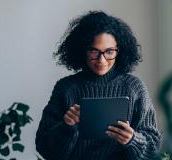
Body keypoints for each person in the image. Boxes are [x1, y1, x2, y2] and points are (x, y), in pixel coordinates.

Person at [35, 11, 161, 160]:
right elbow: (44, 148)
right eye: (94, 51)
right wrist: (66, 127)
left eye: (109, 52)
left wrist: (132, 140)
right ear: (83, 50)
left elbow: (154, 147)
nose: (102, 60)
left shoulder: (134, 88)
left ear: (119, 51)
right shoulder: (66, 88)